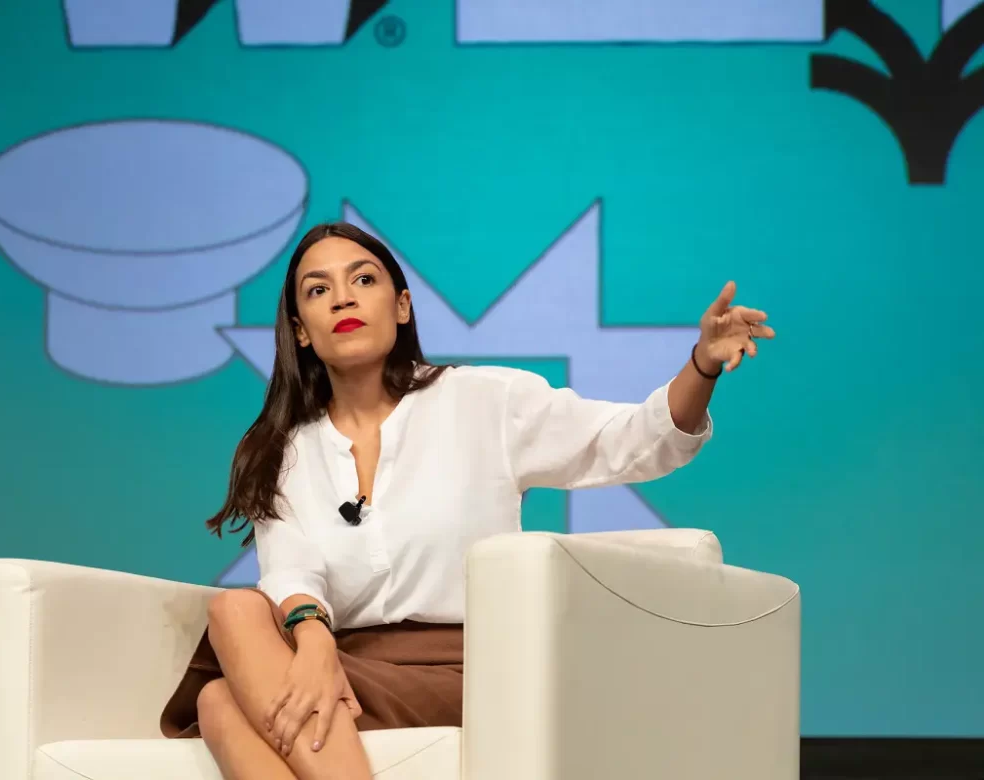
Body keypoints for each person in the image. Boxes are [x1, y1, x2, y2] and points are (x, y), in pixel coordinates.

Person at [158, 221, 774, 779]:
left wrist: (702, 365)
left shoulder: (483, 401)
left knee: (221, 699)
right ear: (300, 329)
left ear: (402, 306)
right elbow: (291, 572)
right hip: (342, 665)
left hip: (470, 669)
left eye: (363, 280)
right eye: (318, 290)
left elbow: (632, 441)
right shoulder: (283, 450)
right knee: (232, 624)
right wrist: (316, 647)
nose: (342, 298)